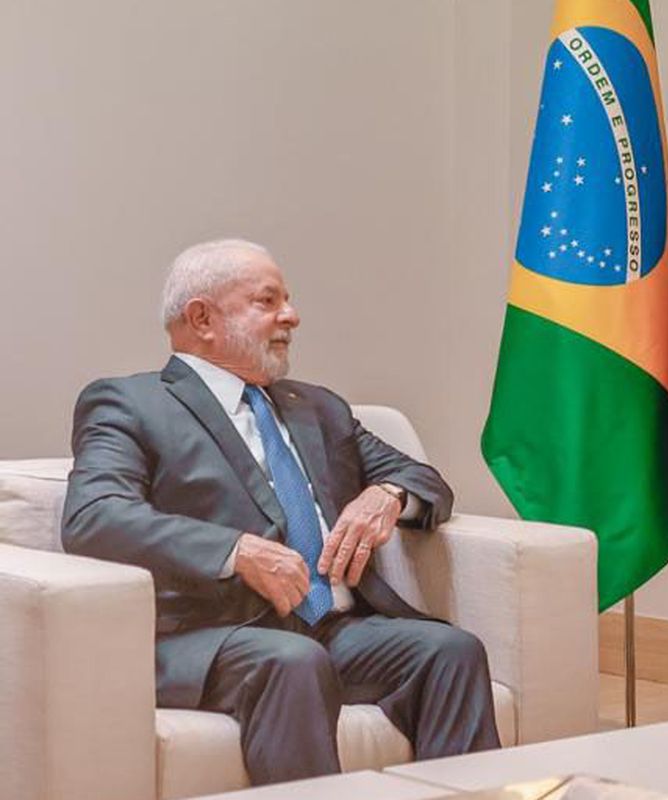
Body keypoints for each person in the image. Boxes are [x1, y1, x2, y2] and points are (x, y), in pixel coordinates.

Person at [62, 239, 500, 785]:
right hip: (211, 635)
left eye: (286, 300)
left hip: (331, 628)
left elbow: (424, 481)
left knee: (449, 650)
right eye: (267, 301)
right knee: (293, 660)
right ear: (202, 318)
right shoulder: (131, 403)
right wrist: (235, 550)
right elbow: (95, 515)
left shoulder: (318, 408)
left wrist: (387, 495)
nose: (291, 316)